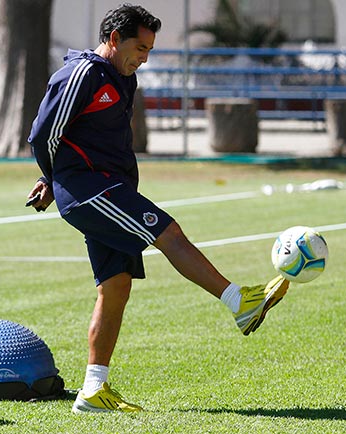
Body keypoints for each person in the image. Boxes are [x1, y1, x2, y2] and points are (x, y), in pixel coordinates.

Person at [27, 3, 289, 414]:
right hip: (90, 191)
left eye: (149, 49)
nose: (144, 57)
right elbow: (43, 135)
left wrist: (51, 179)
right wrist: (52, 178)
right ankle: (240, 302)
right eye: (140, 47)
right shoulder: (81, 75)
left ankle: (93, 391)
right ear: (113, 39)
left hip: (106, 188)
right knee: (168, 233)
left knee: (116, 288)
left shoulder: (121, 77)